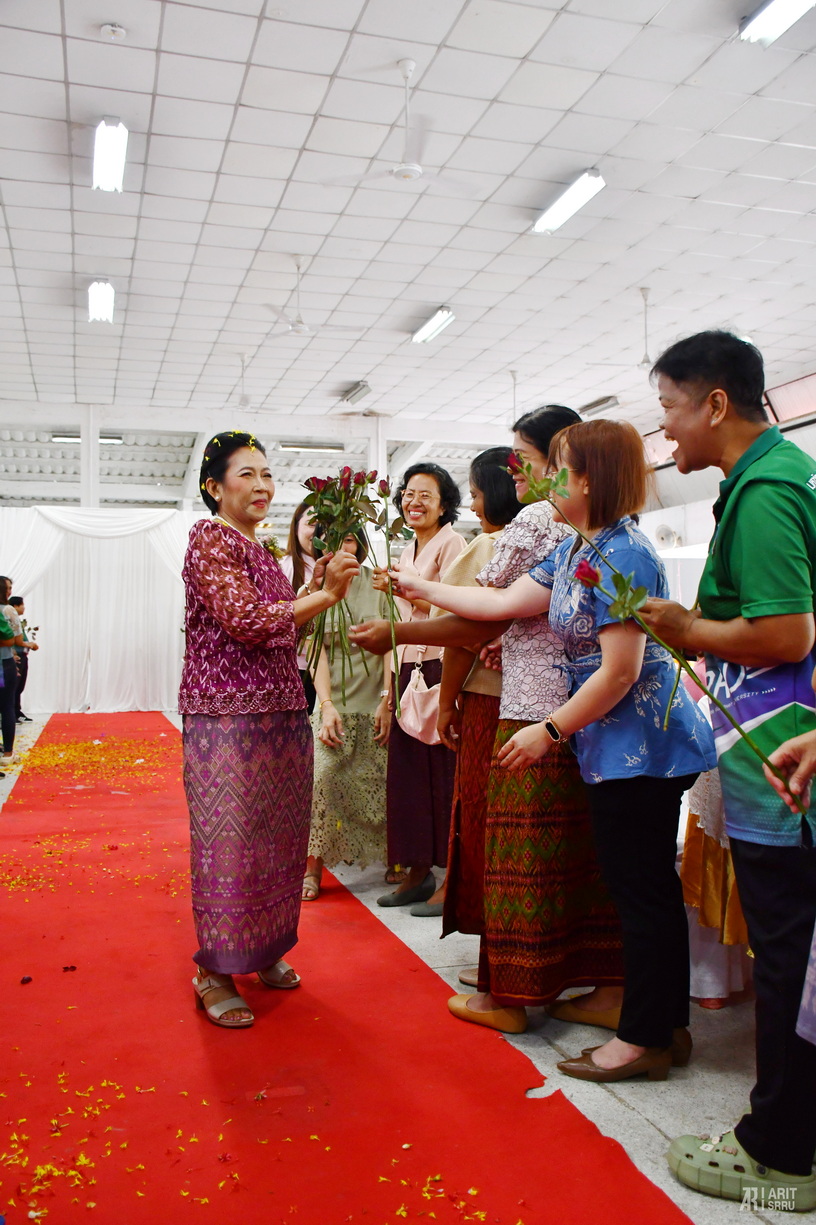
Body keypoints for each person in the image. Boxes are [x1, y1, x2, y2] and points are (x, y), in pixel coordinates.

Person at [393, 419, 715, 1078]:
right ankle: (662, 1028)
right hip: (611, 746)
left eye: (556, 467)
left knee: (643, 892)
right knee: (638, 889)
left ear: (589, 478)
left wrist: (548, 731)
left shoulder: (626, 552)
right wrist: (417, 587)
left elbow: (620, 671)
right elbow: (505, 601)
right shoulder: (577, 548)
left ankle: (646, 1038)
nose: (543, 479)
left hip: (643, 746)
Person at [354, 407, 625, 1033]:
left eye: (525, 460)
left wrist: (405, 621)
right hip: (581, 713)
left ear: (575, 468)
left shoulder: (543, 522)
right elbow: (509, 606)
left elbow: (490, 612)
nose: (517, 473)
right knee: (582, 853)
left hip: (533, 708)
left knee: (516, 851)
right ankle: (584, 980)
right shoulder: (599, 534)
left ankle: (511, 992)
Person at [636, 331, 816, 1210]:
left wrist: (688, 629)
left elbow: (785, 632)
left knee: (788, 953)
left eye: (670, 408)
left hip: (782, 758)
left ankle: (778, 1151)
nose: (666, 431)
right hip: (778, 752)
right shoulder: (771, 479)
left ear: (715, 403)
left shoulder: (769, 490)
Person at [179, 431, 358, 1029]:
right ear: (214, 486)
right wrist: (324, 595)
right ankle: (214, 971)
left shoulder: (258, 547)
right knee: (230, 844)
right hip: (227, 719)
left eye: (267, 475)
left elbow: (284, 628)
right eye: (246, 474)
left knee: (278, 839)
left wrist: (313, 589)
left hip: (281, 713)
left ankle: (263, 948)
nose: (262, 486)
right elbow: (250, 622)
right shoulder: (209, 538)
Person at [374, 462, 466, 911]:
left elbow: (454, 610)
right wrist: (387, 693)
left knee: (442, 774)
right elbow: (399, 624)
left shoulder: (453, 544)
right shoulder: (407, 549)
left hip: (439, 666)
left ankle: (452, 876)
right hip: (407, 668)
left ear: (444, 505)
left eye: (426, 495)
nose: (414, 502)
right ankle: (416, 871)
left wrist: (406, 590)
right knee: (407, 776)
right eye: (409, 494)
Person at [436, 447, 521, 930]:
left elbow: (458, 633)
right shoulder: (563, 543)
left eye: (476, 493)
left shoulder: (490, 546)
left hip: (489, 701)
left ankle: (490, 931)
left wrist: (446, 703)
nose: (472, 506)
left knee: (482, 813)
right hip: (551, 707)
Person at [303, 531, 390, 901]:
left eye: (350, 539)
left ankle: (394, 857)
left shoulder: (379, 583)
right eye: (334, 539)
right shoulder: (315, 590)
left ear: (362, 544)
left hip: (376, 702)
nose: (342, 547)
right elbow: (315, 653)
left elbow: (393, 644)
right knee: (321, 780)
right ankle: (312, 866)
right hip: (332, 704)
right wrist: (325, 705)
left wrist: (388, 700)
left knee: (381, 783)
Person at [280, 502, 319, 714]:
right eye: (311, 524)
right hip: (297, 668)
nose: (318, 531)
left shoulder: (341, 566)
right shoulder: (283, 567)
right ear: (296, 527)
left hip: (336, 671)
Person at [0, 576, 23, 767]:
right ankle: (8, 752)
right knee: (7, 706)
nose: (10, 591)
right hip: (3, 663)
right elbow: (13, 639)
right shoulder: (7, 610)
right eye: (8, 588)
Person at [9, 596, 37, 722]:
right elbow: (14, 640)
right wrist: (28, 644)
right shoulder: (9, 621)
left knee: (20, 686)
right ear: (15, 606)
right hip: (15, 656)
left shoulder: (18, 621)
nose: (24, 607)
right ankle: (10, 713)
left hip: (23, 655)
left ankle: (17, 711)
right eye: (22, 605)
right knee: (14, 685)